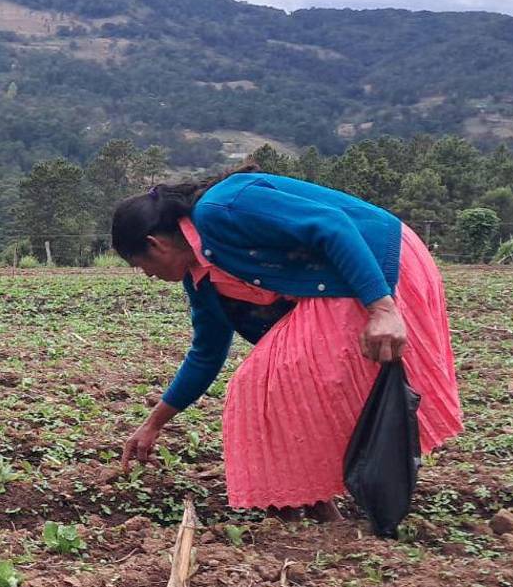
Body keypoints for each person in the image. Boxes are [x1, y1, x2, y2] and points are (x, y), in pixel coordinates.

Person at [111, 170, 462, 520]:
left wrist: (382, 308)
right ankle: (311, 500)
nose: (148, 275)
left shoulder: (221, 209)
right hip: (342, 286)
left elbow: (331, 224)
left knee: (267, 382)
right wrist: (154, 423)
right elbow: (206, 354)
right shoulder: (202, 282)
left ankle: (310, 502)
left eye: (141, 265)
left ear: (156, 244)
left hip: (378, 265)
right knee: (284, 383)